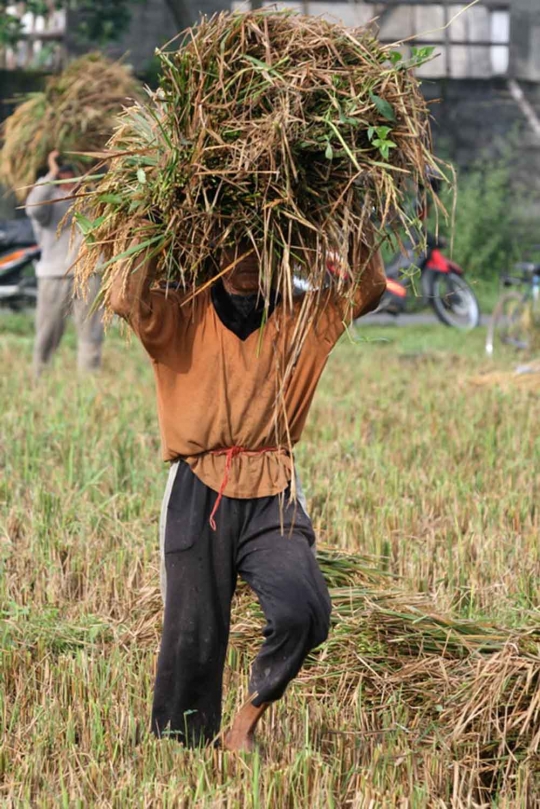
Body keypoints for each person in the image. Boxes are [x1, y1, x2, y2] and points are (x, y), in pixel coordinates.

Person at [109, 229, 386, 751]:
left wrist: (352, 222)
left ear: (277, 251)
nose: (245, 260)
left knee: (304, 609)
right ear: (212, 250)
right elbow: (126, 297)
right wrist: (147, 233)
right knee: (192, 632)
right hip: (198, 486)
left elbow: (368, 287)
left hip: (273, 487)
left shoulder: (304, 316)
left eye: (258, 245)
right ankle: (181, 752)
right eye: (234, 246)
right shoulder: (182, 312)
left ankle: (244, 723)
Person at [25, 149, 104, 377]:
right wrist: (51, 171)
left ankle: (89, 381)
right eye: (64, 175)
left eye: (73, 174)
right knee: (47, 332)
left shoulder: (91, 203)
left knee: (92, 333)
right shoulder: (49, 206)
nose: (69, 180)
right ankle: (39, 377)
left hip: (89, 275)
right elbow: (33, 206)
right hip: (54, 275)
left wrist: (92, 171)